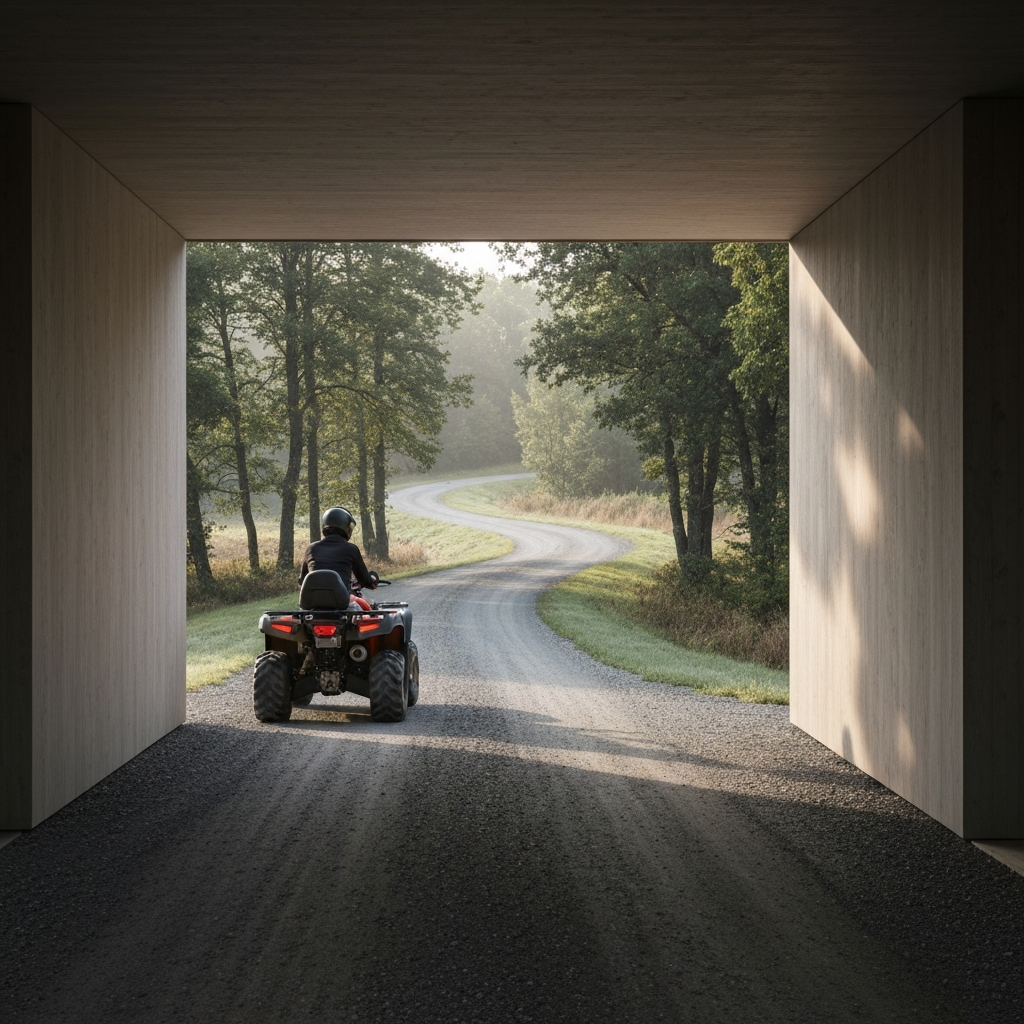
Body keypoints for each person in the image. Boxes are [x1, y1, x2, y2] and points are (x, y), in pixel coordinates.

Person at [299, 507, 378, 592]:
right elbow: (365, 581)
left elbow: (302, 581)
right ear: (347, 527)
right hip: (339, 602)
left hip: (311, 602)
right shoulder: (351, 549)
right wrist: (373, 577)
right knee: (362, 604)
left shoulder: (311, 549)